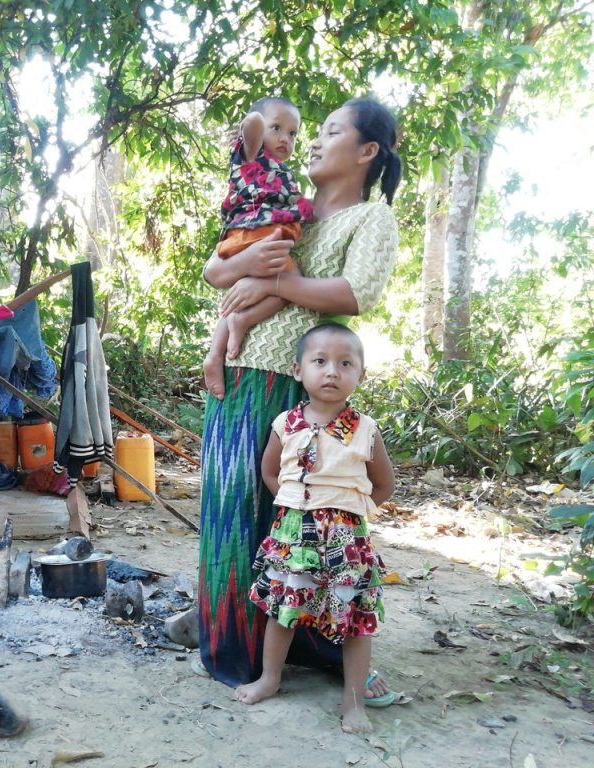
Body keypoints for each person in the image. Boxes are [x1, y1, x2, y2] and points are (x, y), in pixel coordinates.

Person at [197, 97, 403, 703]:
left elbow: (355, 291)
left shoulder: (370, 219)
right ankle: (228, 641)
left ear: (367, 152)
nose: (313, 142)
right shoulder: (292, 208)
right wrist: (247, 264)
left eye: (332, 132)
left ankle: (311, 646)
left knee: (304, 519)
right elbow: (217, 267)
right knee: (232, 508)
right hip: (239, 374)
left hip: (303, 388)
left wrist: (277, 281)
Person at [235, 323, 394, 733]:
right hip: (294, 536)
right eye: (320, 361)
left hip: (347, 540)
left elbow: (384, 484)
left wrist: (349, 515)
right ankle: (271, 678)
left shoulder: (365, 429)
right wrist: (295, 507)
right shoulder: (285, 424)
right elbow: (270, 472)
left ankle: (353, 702)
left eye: (345, 364)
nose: (332, 372)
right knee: (284, 611)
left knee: (355, 619)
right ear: (298, 369)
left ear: (360, 375)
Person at [203, 96, 314, 400]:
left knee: (250, 292)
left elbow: (296, 205)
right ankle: (239, 324)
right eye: (276, 128)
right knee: (292, 282)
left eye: (292, 133)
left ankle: (217, 351)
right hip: (251, 234)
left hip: (262, 237)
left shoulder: (285, 175)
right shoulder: (251, 158)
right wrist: (255, 123)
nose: (284, 138)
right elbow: (252, 129)